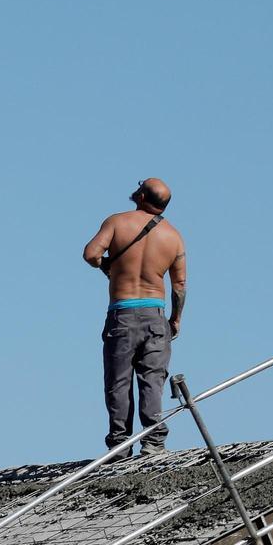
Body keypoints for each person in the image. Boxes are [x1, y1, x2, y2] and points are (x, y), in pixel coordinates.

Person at [82, 178, 187, 456]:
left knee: (119, 381)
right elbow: (179, 286)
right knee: (153, 380)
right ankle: (154, 442)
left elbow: (91, 254)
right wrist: (175, 320)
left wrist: (107, 266)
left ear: (141, 196)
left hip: (123, 313)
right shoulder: (174, 236)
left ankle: (120, 444)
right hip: (156, 315)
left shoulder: (117, 222)